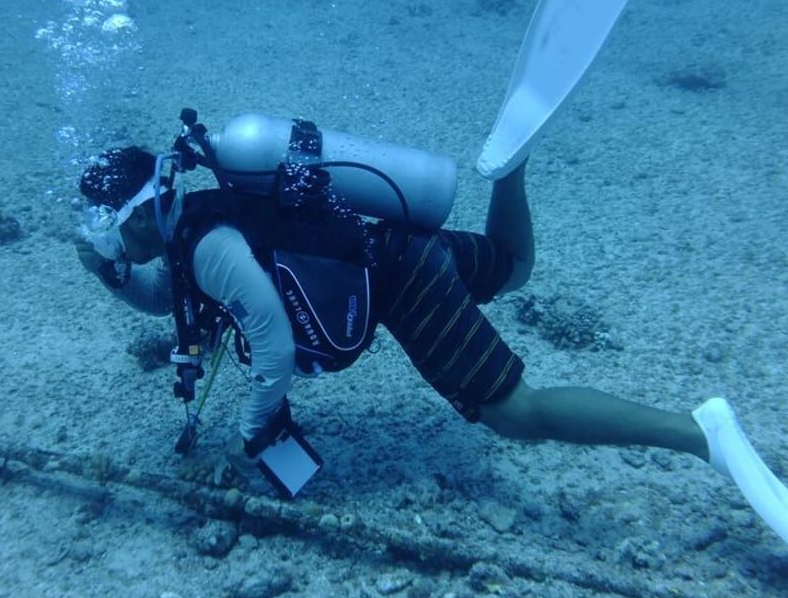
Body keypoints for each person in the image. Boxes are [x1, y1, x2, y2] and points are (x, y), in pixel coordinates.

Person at [74, 141, 711, 470]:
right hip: (392, 246)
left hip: (403, 283)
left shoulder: (206, 248)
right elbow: (165, 299)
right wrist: (110, 271)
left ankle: (695, 432)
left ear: (147, 207)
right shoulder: (191, 227)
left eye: (115, 231)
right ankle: (510, 170)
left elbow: (271, 340)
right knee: (512, 267)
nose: (116, 243)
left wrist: (254, 426)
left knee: (515, 414)